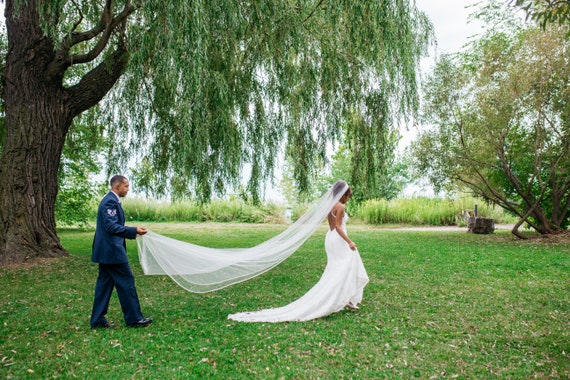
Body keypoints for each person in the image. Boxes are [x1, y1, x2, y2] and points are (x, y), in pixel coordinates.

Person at [228, 180, 369, 322]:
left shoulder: (329, 205)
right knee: (345, 265)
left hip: (330, 239)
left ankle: (349, 297)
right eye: (347, 196)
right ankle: (343, 297)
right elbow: (338, 227)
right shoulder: (340, 207)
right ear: (343, 194)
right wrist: (349, 241)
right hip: (338, 239)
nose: (347, 199)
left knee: (338, 267)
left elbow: (332, 226)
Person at [90, 175, 153, 329]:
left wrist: (133, 232)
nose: (128, 189)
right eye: (126, 186)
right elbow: (111, 227)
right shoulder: (110, 202)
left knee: (104, 285)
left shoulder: (111, 200)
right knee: (126, 281)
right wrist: (133, 231)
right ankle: (134, 319)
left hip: (106, 251)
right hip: (111, 252)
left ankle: (97, 320)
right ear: (117, 186)